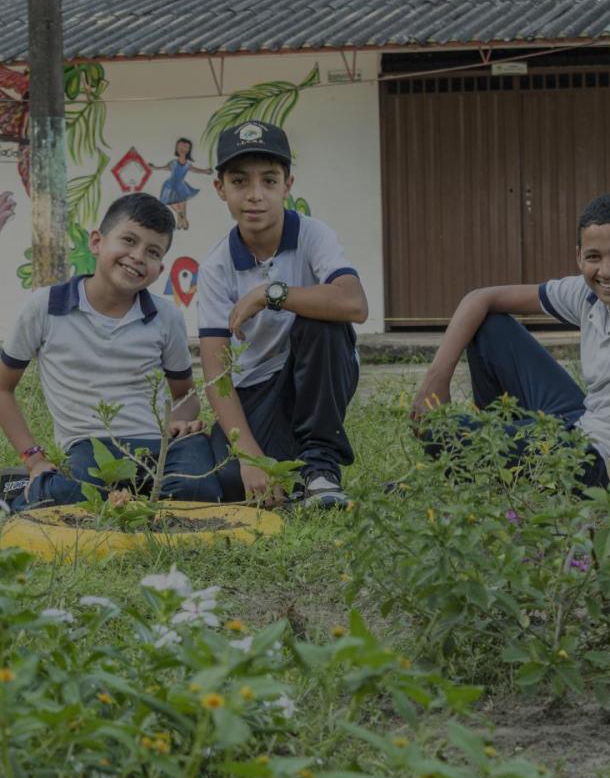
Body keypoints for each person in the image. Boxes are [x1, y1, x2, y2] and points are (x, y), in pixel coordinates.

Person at [413, 192, 610, 486]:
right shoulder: (587, 293)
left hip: (605, 463)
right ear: (579, 257)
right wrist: (435, 381)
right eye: (593, 257)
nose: (606, 270)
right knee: (490, 325)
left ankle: (497, 460)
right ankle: (503, 460)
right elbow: (480, 298)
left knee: (445, 433)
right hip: (582, 425)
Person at [0, 193, 220, 511]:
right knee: (73, 498)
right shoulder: (45, 307)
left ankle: (138, 499)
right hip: (90, 445)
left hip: (161, 445)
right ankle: (22, 486)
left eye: (153, 252)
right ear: (96, 242)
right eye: (129, 240)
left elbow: (184, 394)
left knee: (200, 492)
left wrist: (181, 421)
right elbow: (3, 388)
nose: (137, 256)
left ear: (160, 269)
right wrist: (33, 458)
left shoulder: (166, 316)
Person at [197, 121, 367, 508]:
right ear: (220, 188)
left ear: (287, 185)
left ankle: (321, 468)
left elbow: (354, 304)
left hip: (314, 375)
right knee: (232, 482)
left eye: (269, 181)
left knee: (321, 320)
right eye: (240, 182)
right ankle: (293, 473)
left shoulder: (313, 235)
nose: (255, 195)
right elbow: (216, 374)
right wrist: (250, 459)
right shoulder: (216, 267)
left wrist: (270, 294)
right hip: (257, 390)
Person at [153, 137, 211, 230]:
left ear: (189, 150)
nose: (183, 149)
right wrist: (154, 168)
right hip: (171, 185)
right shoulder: (173, 163)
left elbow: (196, 170)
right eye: (181, 146)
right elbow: (164, 168)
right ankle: (180, 216)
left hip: (180, 186)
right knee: (171, 201)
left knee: (182, 206)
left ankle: (181, 221)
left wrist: (205, 171)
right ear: (177, 148)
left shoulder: (187, 165)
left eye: (186, 147)